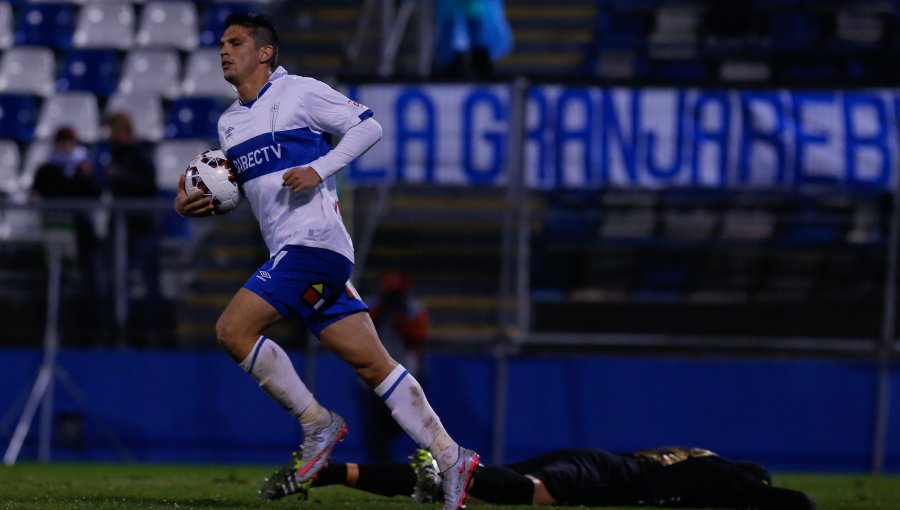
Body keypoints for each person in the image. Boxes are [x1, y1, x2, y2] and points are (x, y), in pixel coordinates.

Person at [173, 13, 479, 510]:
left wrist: (318, 168)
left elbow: (367, 127)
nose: (223, 51)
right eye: (222, 43)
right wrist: (187, 201)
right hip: (295, 254)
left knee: (233, 330)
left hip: (314, 245)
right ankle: (451, 456)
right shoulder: (229, 123)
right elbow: (232, 188)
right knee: (373, 364)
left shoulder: (300, 93)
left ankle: (319, 424)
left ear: (265, 52)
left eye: (235, 42)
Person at [292, 446, 816, 510]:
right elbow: (794, 503)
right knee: (529, 496)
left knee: (448, 488)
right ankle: (451, 470)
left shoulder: (698, 458)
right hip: (601, 475)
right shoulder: (725, 477)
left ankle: (336, 472)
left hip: (592, 459)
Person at [99, 112, 163, 344]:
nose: (110, 136)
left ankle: (155, 331)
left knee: (149, 280)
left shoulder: (140, 154)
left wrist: (121, 175)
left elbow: (148, 185)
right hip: (120, 227)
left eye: (114, 131)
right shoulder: (114, 154)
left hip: (141, 226)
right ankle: (119, 329)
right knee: (117, 277)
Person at [359, 269, 430, 462]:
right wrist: (382, 310)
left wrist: (400, 319)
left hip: (405, 376)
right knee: (375, 429)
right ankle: (379, 469)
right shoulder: (372, 307)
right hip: (372, 379)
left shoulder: (413, 309)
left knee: (405, 424)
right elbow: (359, 331)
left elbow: (419, 337)